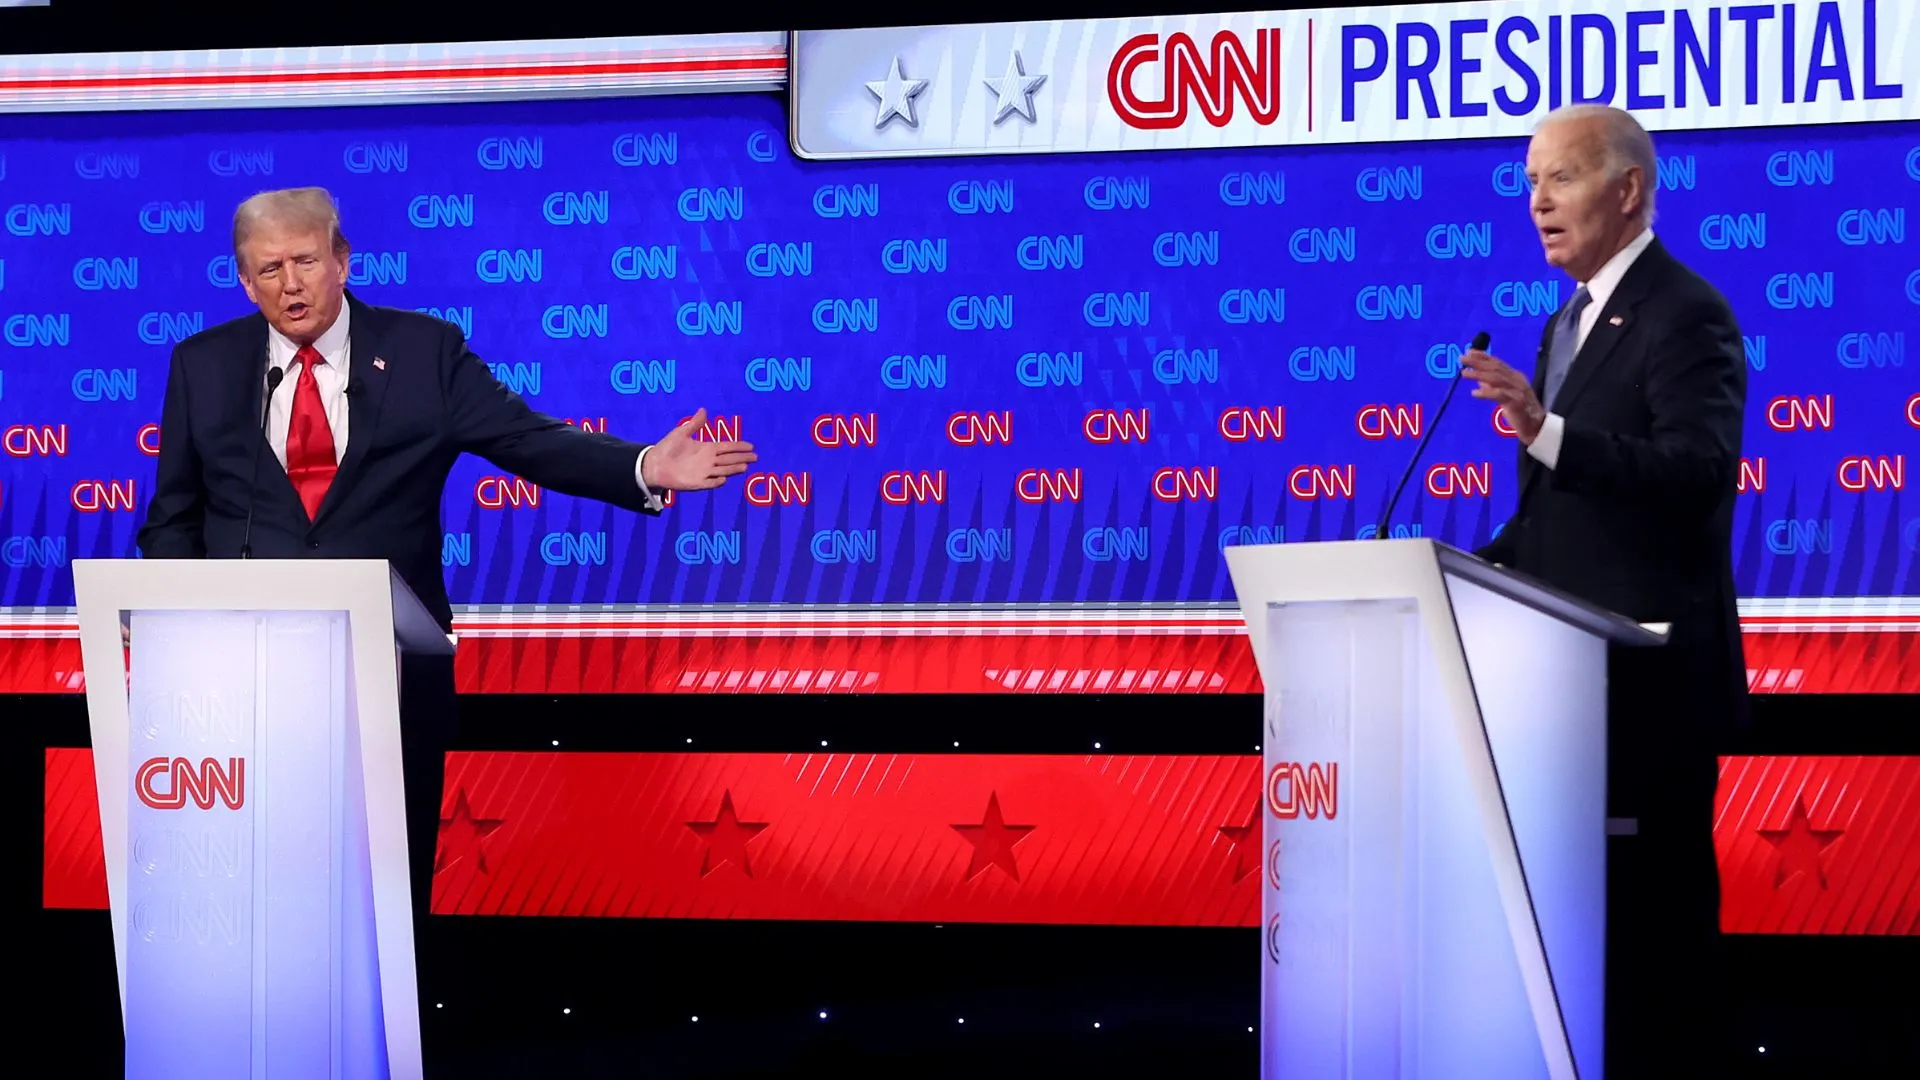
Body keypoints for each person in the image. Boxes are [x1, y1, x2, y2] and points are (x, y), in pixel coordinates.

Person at [135, 186, 755, 1036]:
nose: (291, 283)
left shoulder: (423, 351)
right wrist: (175, 650)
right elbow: (173, 517)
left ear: (342, 261)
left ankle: (380, 1043)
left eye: (306, 261)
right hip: (243, 689)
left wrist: (643, 466)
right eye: (268, 269)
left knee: (383, 899)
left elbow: (528, 440)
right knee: (252, 897)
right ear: (244, 282)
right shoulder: (204, 364)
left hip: (391, 677)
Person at [1459, 105, 1747, 1070]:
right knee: (1585, 959)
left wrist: (1547, 431)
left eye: (1562, 178)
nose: (1538, 202)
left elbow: (1696, 472)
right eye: (1530, 183)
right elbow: (1561, 518)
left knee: (1657, 950)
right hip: (1564, 697)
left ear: (1627, 190)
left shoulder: (1686, 312)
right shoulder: (1565, 322)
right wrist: (1464, 569)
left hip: (1649, 689)